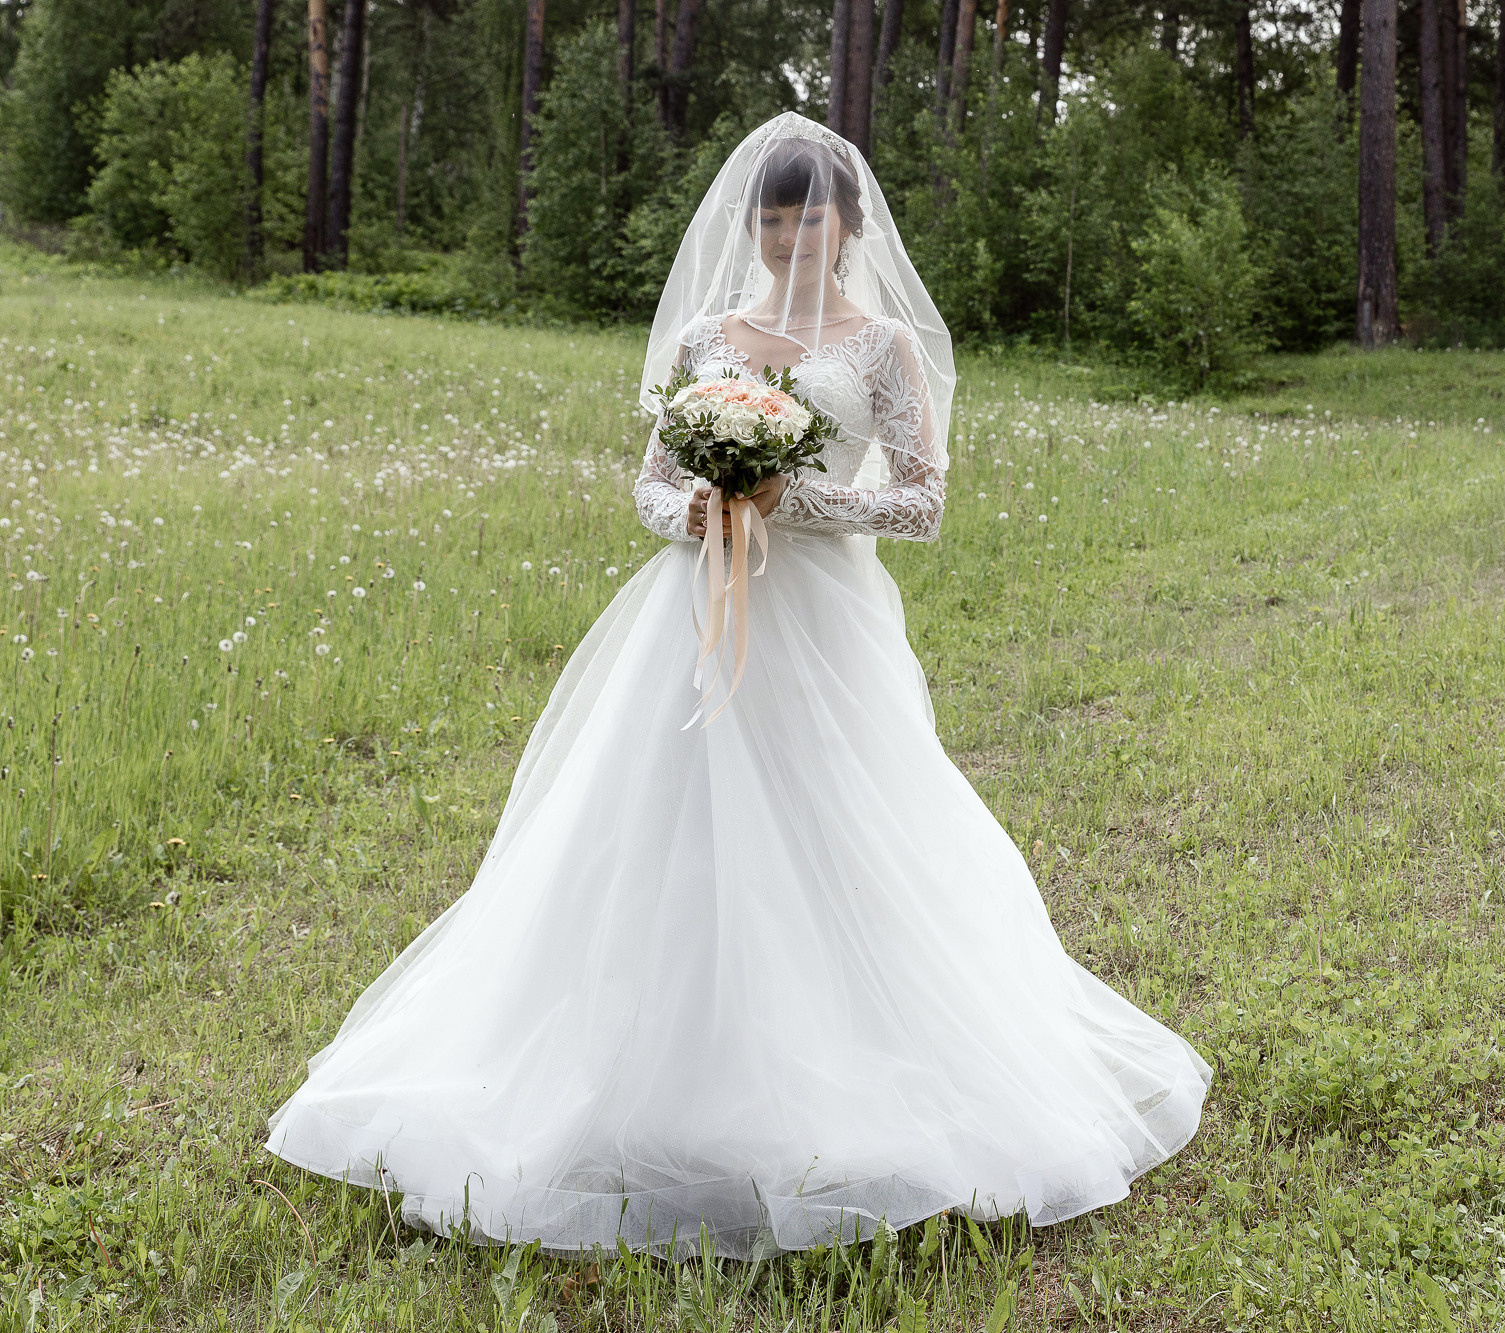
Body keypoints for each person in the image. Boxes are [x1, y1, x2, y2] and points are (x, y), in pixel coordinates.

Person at [265, 112, 1210, 1262]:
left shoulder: (879, 349)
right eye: (770, 213)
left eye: (808, 213)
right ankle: (637, 1082)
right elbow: (648, 486)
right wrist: (705, 506)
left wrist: (786, 500)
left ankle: (840, 1076)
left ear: (847, 224)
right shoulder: (709, 338)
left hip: (820, 626)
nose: (786, 234)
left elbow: (921, 500)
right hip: (689, 616)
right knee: (653, 832)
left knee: (834, 828)